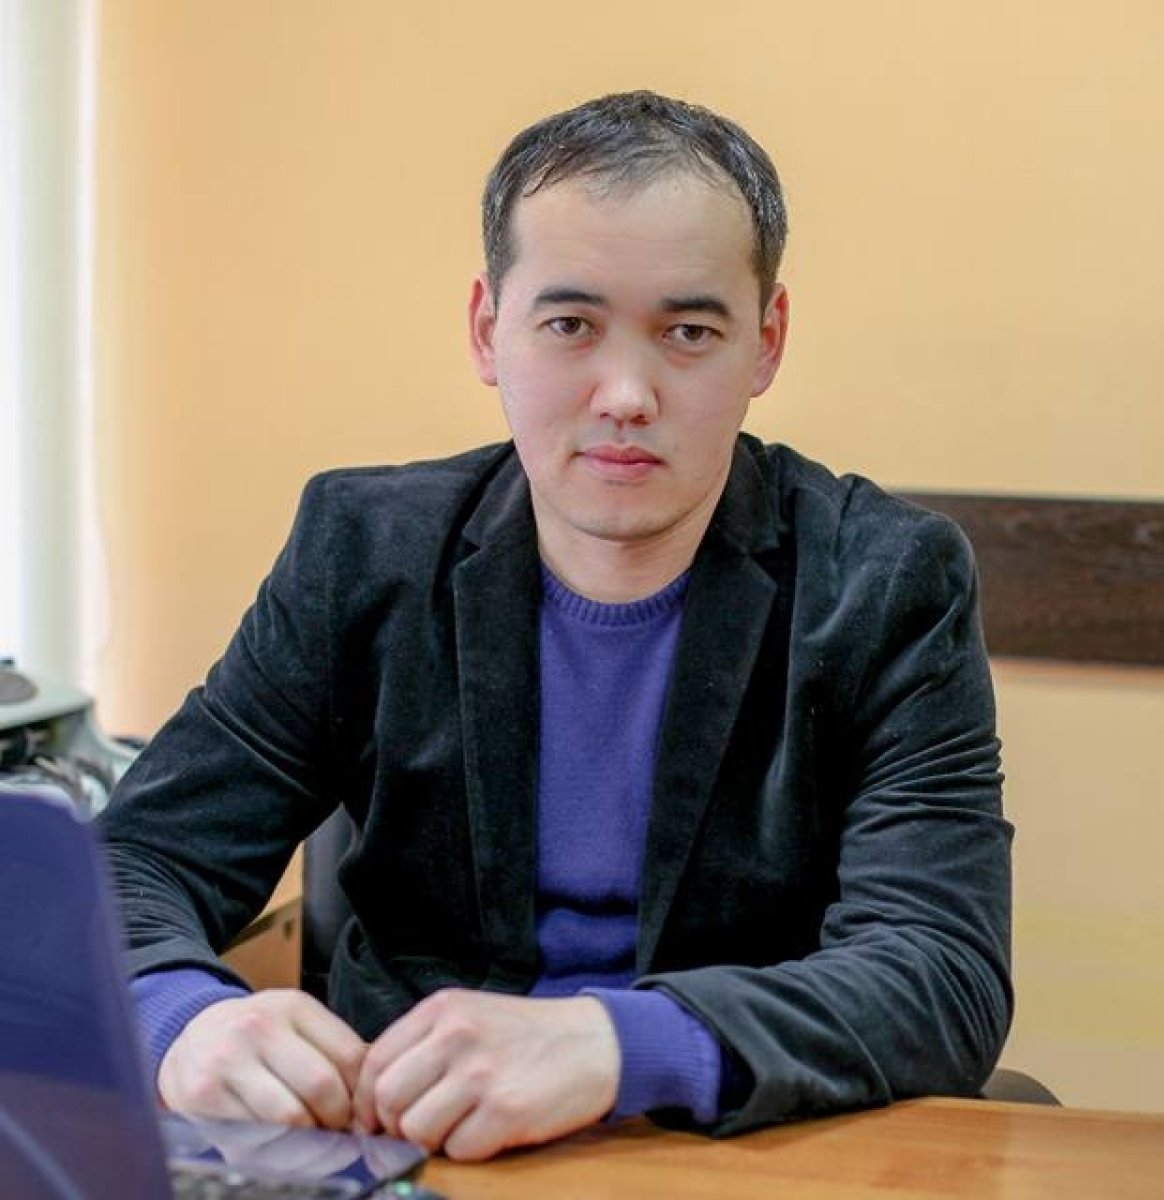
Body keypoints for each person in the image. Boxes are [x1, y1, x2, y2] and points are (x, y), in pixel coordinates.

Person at [97, 90, 1013, 1163]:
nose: (626, 393)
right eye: (570, 325)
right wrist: (178, 1018)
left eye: (688, 332)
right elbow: (133, 862)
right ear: (489, 330)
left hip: (732, 1150)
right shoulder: (363, 552)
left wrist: (621, 1044)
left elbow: (940, 970)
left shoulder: (886, 583)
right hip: (409, 1143)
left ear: (766, 343)